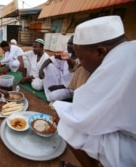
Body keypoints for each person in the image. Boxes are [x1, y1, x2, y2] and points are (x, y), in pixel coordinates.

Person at [53, 16, 136, 167]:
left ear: (100, 52)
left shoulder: (116, 63)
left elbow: (80, 115)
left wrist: (59, 112)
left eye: (82, 58)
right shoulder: (130, 51)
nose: (81, 64)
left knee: (67, 124)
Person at [39, 36, 77, 102]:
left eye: (71, 44)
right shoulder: (67, 54)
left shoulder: (82, 60)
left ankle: (54, 93)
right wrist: (41, 70)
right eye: (68, 43)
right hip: (61, 81)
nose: (68, 46)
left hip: (71, 88)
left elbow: (76, 83)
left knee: (53, 96)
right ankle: (50, 90)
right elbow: (49, 60)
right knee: (49, 66)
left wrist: (57, 87)